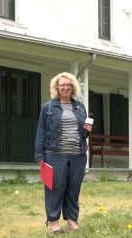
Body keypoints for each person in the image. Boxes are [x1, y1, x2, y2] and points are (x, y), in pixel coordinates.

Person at [35, 72, 92, 234]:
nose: (65, 87)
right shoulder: (49, 107)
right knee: (55, 189)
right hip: (54, 154)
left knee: (73, 188)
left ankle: (72, 221)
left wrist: (87, 131)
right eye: (62, 85)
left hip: (78, 154)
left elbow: (83, 134)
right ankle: (54, 224)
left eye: (68, 85)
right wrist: (40, 156)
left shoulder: (80, 107)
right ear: (57, 88)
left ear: (73, 87)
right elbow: (41, 131)